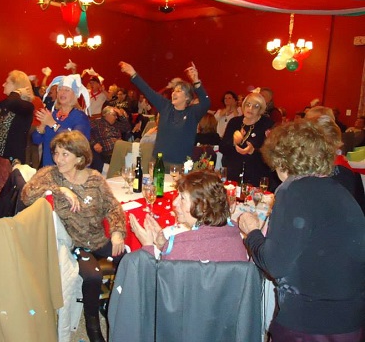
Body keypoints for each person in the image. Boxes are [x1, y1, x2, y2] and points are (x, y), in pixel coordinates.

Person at [239, 119, 365, 341]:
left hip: (311, 322)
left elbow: (274, 264)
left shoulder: (294, 191)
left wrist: (252, 233)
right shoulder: (339, 190)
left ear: (282, 158)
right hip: (349, 319)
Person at [21, 130, 126, 342]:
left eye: (65, 154)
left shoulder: (95, 179)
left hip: (98, 238)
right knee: (93, 277)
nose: (58, 159)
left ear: (80, 158)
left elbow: (113, 207)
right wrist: (58, 189)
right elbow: (26, 195)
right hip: (73, 245)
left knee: (131, 262)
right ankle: (93, 326)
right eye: (56, 153)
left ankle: (115, 307)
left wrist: (117, 232)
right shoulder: (50, 174)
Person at [130, 170, 247, 261]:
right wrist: (162, 244)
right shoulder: (237, 237)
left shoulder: (181, 247)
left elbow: (158, 282)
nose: (175, 203)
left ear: (203, 206)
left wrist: (148, 247)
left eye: (182, 198)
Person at [119, 61, 210, 169]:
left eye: (179, 91)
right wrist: (133, 73)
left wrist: (196, 81)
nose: (173, 93)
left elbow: (205, 103)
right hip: (158, 161)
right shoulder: (165, 106)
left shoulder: (192, 113)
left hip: (180, 165)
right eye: (174, 90)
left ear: (187, 97)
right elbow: (148, 91)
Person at [33, 73, 91, 166]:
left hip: (69, 170)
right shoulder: (54, 114)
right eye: (60, 89)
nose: (62, 93)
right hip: (49, 168)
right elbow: (36, 140)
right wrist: (43, 124)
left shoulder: (80, 117)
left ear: (75, 95)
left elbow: (76, 143)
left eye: (67, 90)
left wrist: (53, 124)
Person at [220, 92, 273, 187]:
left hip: (257, 175)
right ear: (243, 105)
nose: (250, 108)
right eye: (248, 104)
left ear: (261, 109)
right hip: (234, 173)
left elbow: (271, 154)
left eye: (256, 106)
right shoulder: (235, 122)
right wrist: (233, 142)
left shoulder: (267, 124)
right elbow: (222, 148)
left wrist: (254, 151)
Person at [90, 106, 132, 172]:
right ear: (106, 114)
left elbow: (127, 128)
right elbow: (85, 133)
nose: (116, 117)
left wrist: (121, 115)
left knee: (137, 151)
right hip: (109, 153)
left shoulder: (116, 124)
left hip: (120, 149)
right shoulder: (96, 123)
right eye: (114, 115)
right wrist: (94, 143)